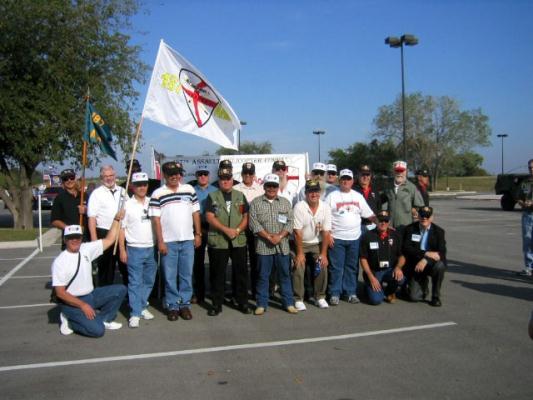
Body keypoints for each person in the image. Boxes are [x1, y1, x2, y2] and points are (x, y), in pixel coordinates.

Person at [51, 220, 126, 337]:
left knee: (120, 290)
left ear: (81, 238)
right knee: (98, 331)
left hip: (91, 295)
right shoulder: (60, 262)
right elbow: (60, 293)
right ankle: (70, 321)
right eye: (70, 238)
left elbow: (109, 240)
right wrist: (83, 305)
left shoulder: (86, 249)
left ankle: (104, 319)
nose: (74, 240)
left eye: (77, 237)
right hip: (72, 302)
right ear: (65, 240)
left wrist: (116, 219)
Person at [149, 161, 201, 321]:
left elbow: (196, 213)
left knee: (186, 274)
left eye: (177, 174)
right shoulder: (158, 193)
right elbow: (156, 220)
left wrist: (198, 234)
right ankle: (172, 305)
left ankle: (184, 305)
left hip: (188, 240)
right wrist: (160, 241)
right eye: (171, 174)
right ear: (165, 175)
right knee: (170, 276)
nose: (174, 177)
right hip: (168, 242)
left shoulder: (189, 189)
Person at [249, 173, 298, 315]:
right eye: (269, 186)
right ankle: (261, 304)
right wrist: (268, 237)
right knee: (263, 276)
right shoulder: (256, 203)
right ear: (264, 186)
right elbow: (253, 223)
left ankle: (288, 303)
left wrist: (280, 236)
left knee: (285, 275)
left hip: (282, 246)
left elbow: (290, 222)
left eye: (274, 186)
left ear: (277, 187)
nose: (271, 189)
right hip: (263, 246)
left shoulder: (285, 202)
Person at [324, 169, 375, 305]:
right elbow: (325, 217)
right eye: (343, 179)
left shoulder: (358, 196)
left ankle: (350, 292)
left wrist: (383, 224)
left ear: (352, 181)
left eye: (348, 179)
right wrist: (327, 234)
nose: (345, 181)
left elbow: (369, 214)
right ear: (339, 180)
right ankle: (334, 293)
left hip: (354, 238)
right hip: (337, 238)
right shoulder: (332, 196)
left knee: (352, 267)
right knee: (336, 267)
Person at [205, 167, 250, 316]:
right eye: (223, 179)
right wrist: (226, 230)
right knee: (217, 274)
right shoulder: (212, 196)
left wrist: (237, 230)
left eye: (228, 179)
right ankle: (216, 304)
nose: (225, 181)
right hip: (219, 240)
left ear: (232, 180)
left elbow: (246, 216)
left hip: (238, 240)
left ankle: (242, 302)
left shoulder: (240, 195)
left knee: (241, 273)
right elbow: (210, 217)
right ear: (219, 181)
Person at [118, 172, 157, 328]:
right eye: (138, 185)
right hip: (134, 248)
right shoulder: (127, 205)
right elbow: (121, 229)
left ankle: (141, 305)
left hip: (151, 247)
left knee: (149, 280)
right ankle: (134, 313)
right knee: (135, 282)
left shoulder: (152, 202)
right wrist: (122, 249)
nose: (142, 187)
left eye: (144, 184)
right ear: (133, 187)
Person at [292, 179, 331, 310]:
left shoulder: (325, 207)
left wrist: (324, 254)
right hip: (300, 243)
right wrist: (299, 253)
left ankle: (320, 296)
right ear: (306, 193)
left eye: (316, 191)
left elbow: (326, 232)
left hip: (316, 243)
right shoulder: (299, 207)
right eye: (310, 191)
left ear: (319, 192)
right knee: (299, 265)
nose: (313, 194)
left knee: (322, 264)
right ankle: (298, 298)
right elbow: (297, 233)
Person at [87, 165, 128, 286]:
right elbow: (92, 218)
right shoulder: (96, 194)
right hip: (104, 233)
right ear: (101, 178)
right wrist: (94, 240)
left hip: (122, 233)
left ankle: (128, 294)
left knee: (126, 268)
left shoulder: (123, 191)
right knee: (106, 270)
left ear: (115, 176)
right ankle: (105, 293)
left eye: (111, 175)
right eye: (105, 176)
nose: (109, 178)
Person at [402, 206, 447, 306]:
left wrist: (426, 260)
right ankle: (423, 284)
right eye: (422, 215)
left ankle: (435, 296)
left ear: (432, 217)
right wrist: (425, 253)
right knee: (414, 297)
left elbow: (442, 253)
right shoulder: (410, 229)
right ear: (418, 216)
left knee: (440, 266)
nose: (424, 218)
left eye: (427, 216)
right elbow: (406, 248)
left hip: (430, 264)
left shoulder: (439, 232)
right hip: (415, 265)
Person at [359, 210, 406, 305]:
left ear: (389, 222)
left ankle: (389, 291)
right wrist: (371, 276)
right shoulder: (367, 236)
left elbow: (402, 256)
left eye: (386, 220)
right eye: (380, 220)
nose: (383, 223)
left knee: (401, 279)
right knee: (376, 300)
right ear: (376, 220)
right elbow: (363, 259)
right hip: (374, 272)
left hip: (389, 270)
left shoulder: (396, 235)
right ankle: (369, 286)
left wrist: (398, 268)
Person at [234, 162, 264, 296]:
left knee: (255, 260)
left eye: (250, 173)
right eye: (245, 173)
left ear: (254, 175)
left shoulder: (260, 189)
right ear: (241, 174)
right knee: (240, 262)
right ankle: (240, 292)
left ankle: (255, 291)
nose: (247, 175)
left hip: (255, 229)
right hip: (240, 228)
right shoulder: (235, 189)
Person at [192, 165, 217, 304]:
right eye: (200, 174)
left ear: (209, 176)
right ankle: (199, 293)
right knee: (198, 263)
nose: (202, 176)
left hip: (212, 228)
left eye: (205, 174)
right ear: (196, 176)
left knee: (214, 261)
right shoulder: (191, 191)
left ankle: (214, 292)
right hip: (197, 228)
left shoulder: (215, 190)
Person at [382, 161, 425, 232]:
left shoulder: (412, 187)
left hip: (406, 228)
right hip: (390, 228)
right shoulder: (388, 187)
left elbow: (421, 206)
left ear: (406, 171)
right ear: (393, 172)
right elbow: (379, 202)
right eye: (397, 171)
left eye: (402, 171)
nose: (399, 173)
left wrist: (415, 209)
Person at [51, 168, 88, 249]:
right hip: (69, 240)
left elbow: (94, 215)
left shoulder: (84, 195)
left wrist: (86, 211)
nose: (69, 180)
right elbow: (54, 221)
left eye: (71, 177)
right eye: (65, 179)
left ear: (75, 178)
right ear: (62, 181)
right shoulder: (59, 198)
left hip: (86, 240)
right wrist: (70, 229)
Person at [353, 164, 381, 234]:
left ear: (370, 176)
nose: (365, 177)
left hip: (373, 226)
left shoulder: (375, 190)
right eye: (363, 174)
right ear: (358, 175)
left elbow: (379, 207)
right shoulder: (353, 190)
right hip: (357, 227)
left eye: (367, 174)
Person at [516, 159, 533, 276]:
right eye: (530, 167)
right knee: (528, 241)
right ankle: (529, 267)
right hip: (528, 215)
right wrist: (522, 203)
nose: (531, 169)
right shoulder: (525, 182)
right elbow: (518, 196)